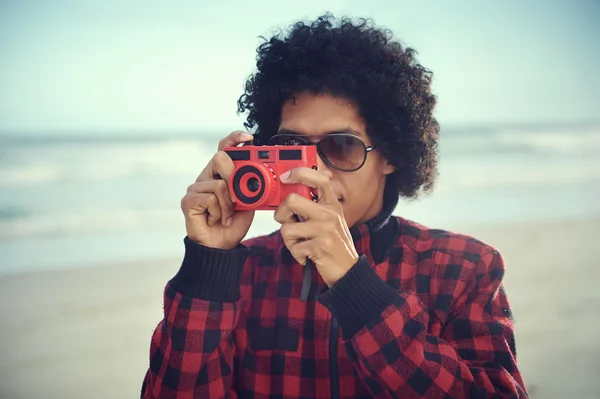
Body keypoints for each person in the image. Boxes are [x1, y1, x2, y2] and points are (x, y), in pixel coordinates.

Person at [141, 14, 528, 398]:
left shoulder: (464, 268)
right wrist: (208, 265)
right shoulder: (239, 274)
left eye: (341, 146)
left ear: (390, 154)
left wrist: (353, 284)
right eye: (293, 147)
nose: (316, 171)